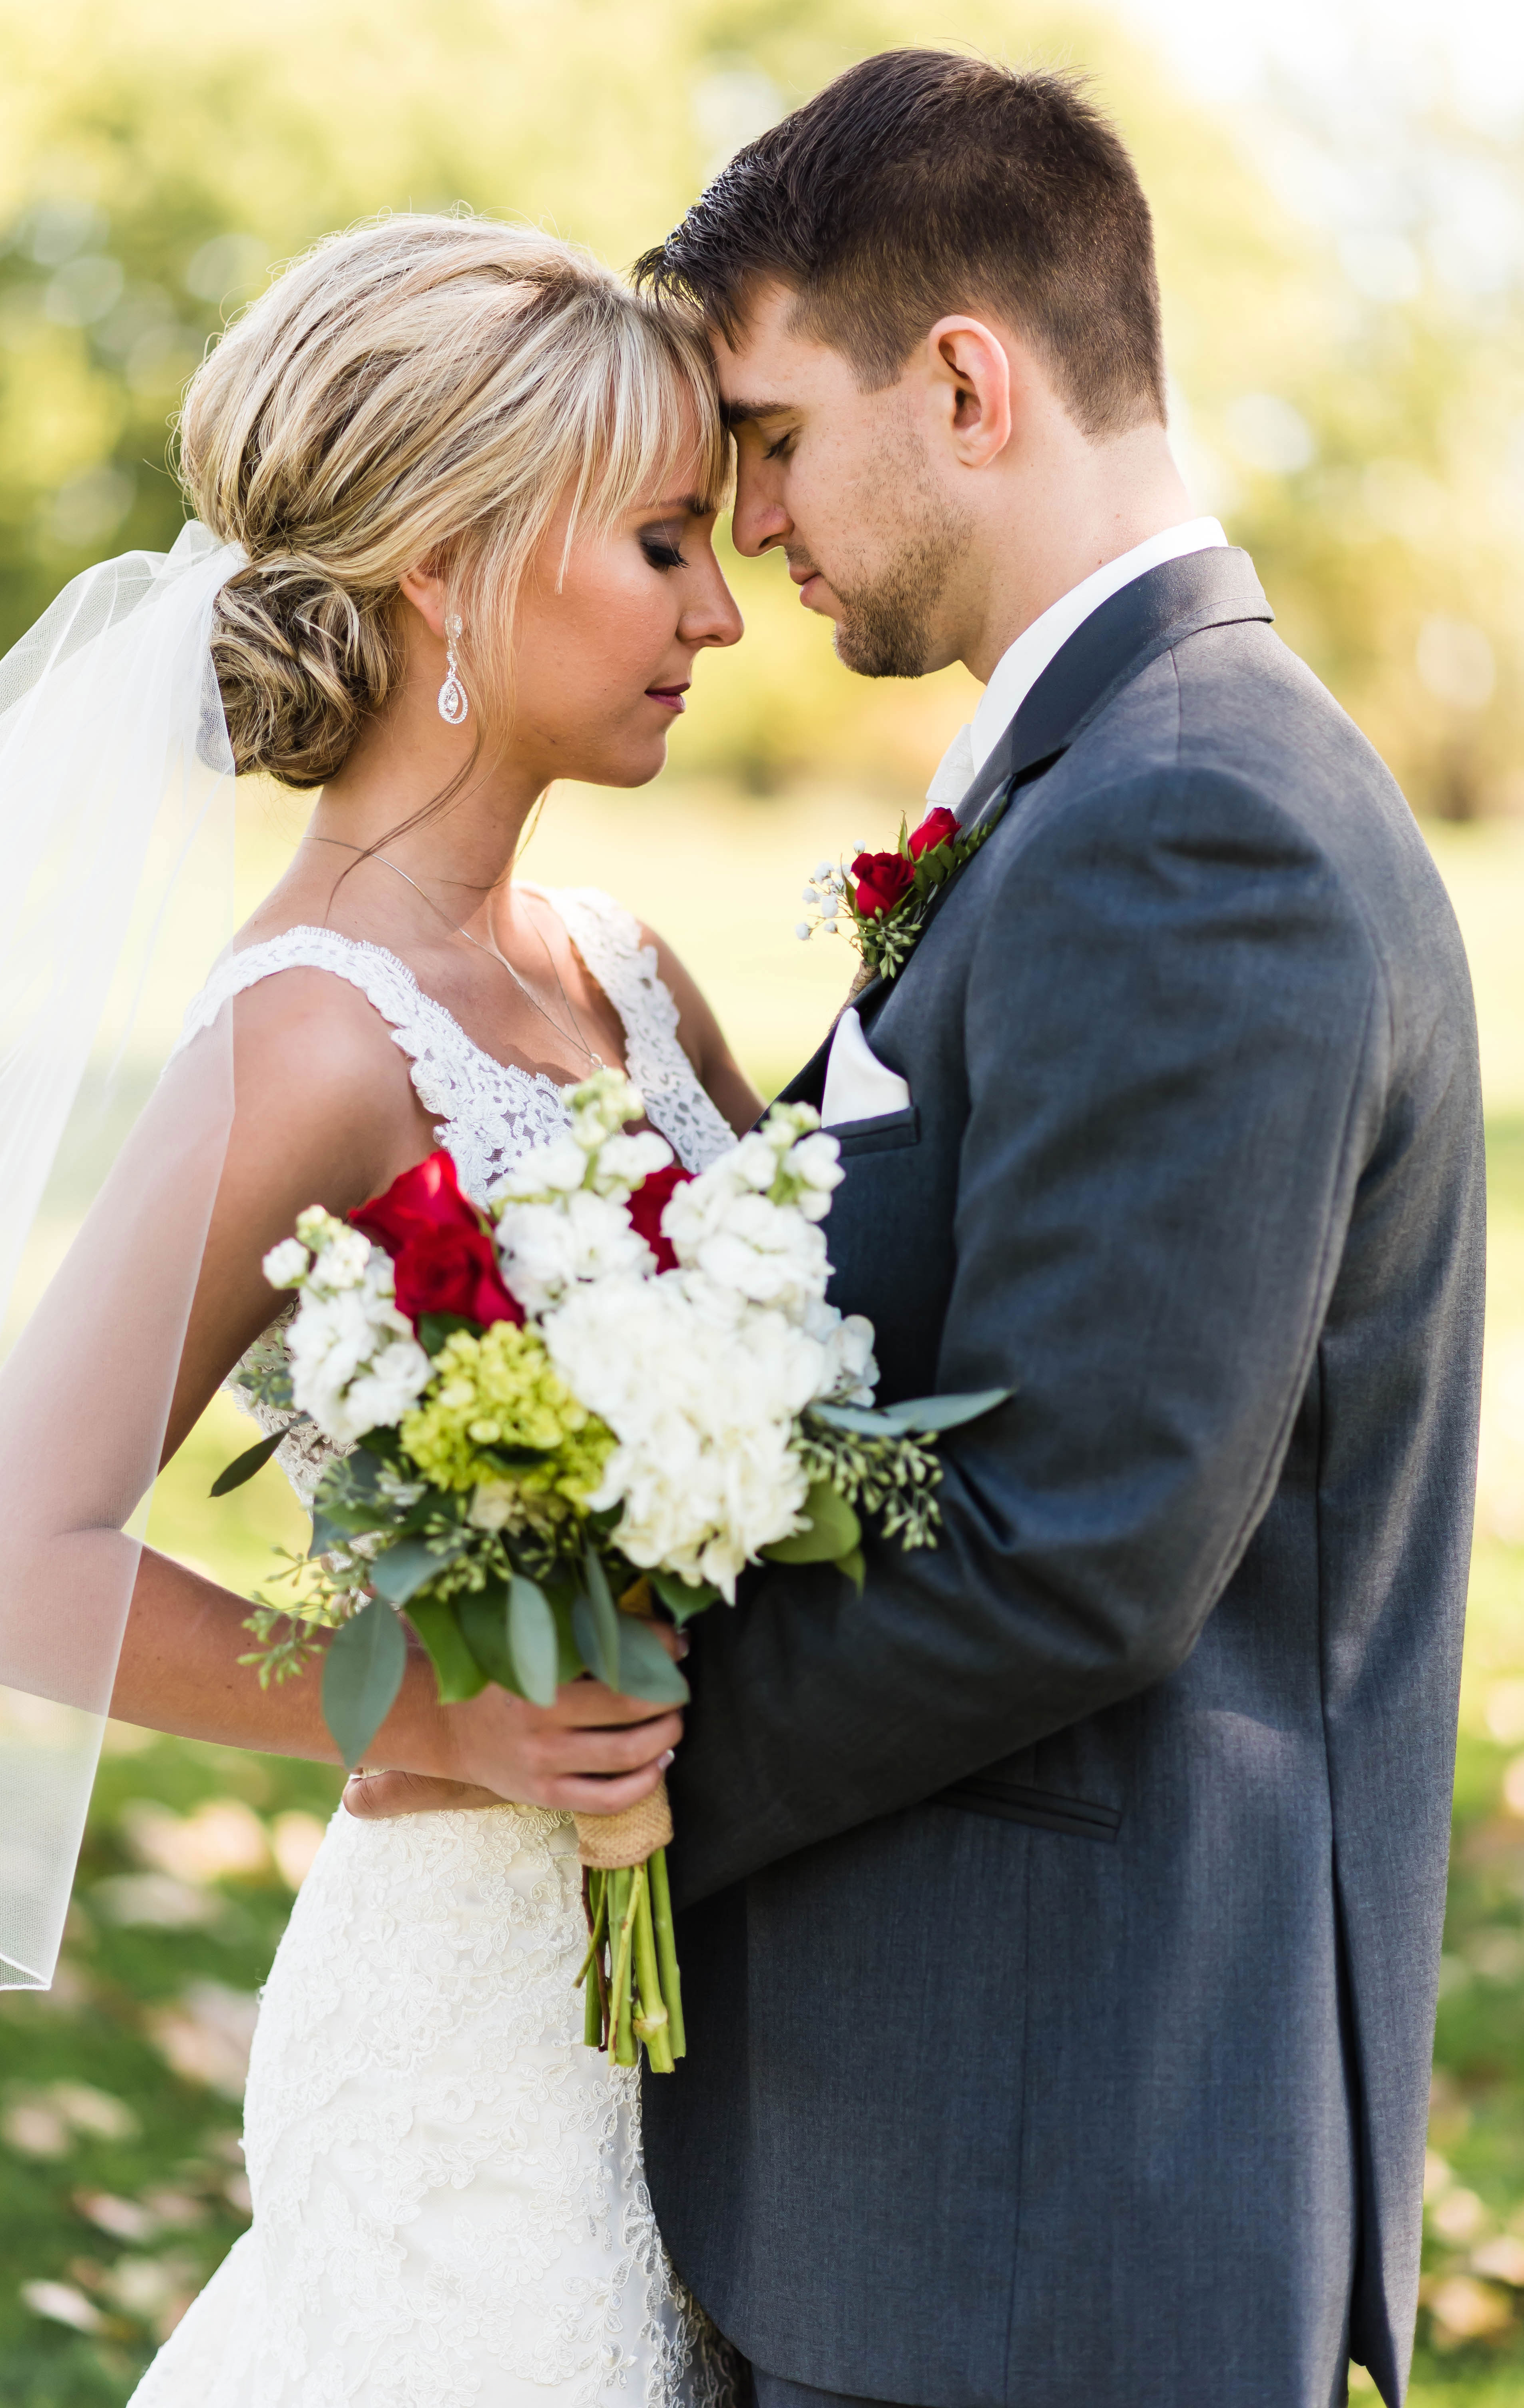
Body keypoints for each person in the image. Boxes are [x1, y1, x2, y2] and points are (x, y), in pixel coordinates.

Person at [611, 49, 1480, 2408]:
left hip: (1048, 2219)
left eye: (772, 436)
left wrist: (609, 1779)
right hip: (993, 2197)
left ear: (968, 383)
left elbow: (1077, 1538)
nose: (747, 514)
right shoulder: (1116, 776)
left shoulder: (1190, 820)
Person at [0, 213, 751, 2405]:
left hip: (734, 2010)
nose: (725, 610)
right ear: (449, 570)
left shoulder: (628, 969)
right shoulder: (306, 1040)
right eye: (665, 542)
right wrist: (428, 1716)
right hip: (478, 2056)